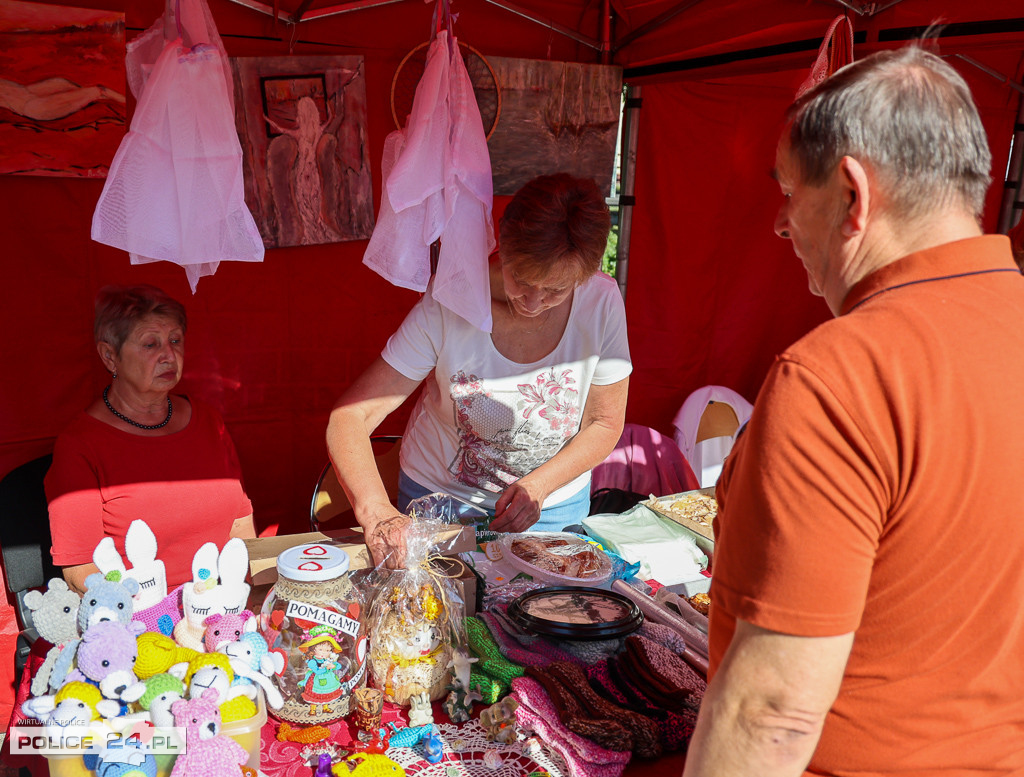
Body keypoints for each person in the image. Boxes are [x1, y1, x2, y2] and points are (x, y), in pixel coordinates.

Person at [684, 45, 1024, 776]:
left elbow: (770, 710)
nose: (781, 226)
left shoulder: (838, 375)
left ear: (852, 194)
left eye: (787, 193)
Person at [327, 173, 631, 567]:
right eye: (521, 279)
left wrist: (538, 487)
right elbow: (351, 416)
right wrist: (377, 512)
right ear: (502, 243)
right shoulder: (450, 302)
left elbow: (604, 424)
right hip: (441, 505)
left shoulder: (602, 304)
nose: (534, 302)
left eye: (557, 290)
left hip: (552, 510)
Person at [46, 285, 255, 594]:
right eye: (150, 344)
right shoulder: (80, 446)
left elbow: (242, 527)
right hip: (140, 618)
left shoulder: (209, 421)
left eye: (175, 340)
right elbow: (81, 571)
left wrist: (245, 599)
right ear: (109, 356)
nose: (169, 355)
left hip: (225, 609)